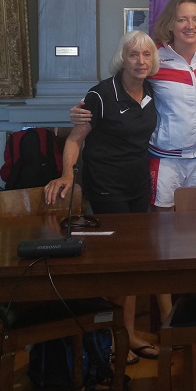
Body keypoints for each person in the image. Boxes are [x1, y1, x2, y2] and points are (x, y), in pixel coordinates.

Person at [71, 0, 196, 321]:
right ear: (170, 23)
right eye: (182, 19)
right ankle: (167, 319)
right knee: (162, 239)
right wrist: (81, 113)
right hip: (165, 161)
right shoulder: (154, 58)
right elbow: (116, 88)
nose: (189, 25)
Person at [45, 30, 160, 363]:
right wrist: (68, 174)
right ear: (122, 58)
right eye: (133, 54)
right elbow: (74, 140)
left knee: (133, 260)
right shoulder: (100, 94)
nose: (140, 61)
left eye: (147, 55)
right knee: (117, 261)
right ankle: (110, 338)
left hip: (138, 185)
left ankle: (128, 334)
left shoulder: (151, 91)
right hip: (107, 185)